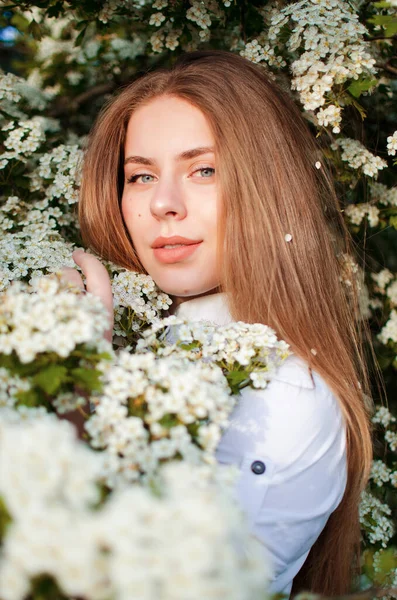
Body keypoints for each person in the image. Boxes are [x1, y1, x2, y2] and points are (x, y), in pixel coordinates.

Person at [62, 50, 373, 597]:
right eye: (140, 175)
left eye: (203, 169)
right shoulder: (154, 326)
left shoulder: (282, 394)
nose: (163, 203)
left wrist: (77, 399)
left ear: (266, 186)